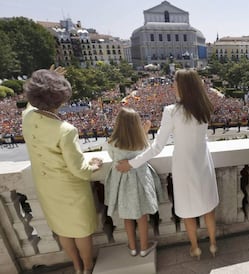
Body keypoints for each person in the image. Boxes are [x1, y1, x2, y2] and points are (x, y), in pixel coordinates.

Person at [116, 69, 219, 260]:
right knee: (208, 209)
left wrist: (132, 164)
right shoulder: (205, 107)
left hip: (184, 167)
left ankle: (195, 248)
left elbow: (157, 147)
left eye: (175, 82)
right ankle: (213, 245)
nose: (172, 86)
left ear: (183, 86)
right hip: (203, 162)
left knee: (188, 212)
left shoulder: (171, 111)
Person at [22, 69, 102, 274]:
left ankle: (76, 267)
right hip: (69, 189)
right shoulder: (65, 130)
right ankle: (87, 266)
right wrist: (94, 164)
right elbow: (80, 170)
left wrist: (46, 78)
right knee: (81, 231)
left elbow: (32, 104)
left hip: (46, 188)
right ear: (62, 99)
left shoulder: (27, 117)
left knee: (63, 230)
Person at [104, 107, 161, 257]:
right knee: (142, 217)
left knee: (127, 216)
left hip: (122, 183)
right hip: (140, 181)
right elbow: (144, 154)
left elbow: (112, 157)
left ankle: (132, 247)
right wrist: (145, 132)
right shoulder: (141, 142)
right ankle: (143, 247)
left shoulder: (112, 143)